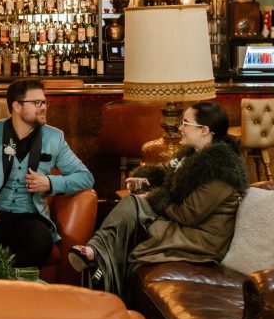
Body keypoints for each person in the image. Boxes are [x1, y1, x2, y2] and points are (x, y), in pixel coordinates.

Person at [69, 101, 248, 299]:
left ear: (204, 130)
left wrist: (153, 196)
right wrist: (147, 178)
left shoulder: (220, 171)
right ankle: (97, 259)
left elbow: (188, 215)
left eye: (186, 123)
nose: (180, 128)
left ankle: (96, 259)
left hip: (200, 239)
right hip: (184, 226)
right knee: (131, 205)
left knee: (134, 220)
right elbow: (167, 169)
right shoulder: (193, 155)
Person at [0, 78, 94, 268]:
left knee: (42, 241)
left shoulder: (54, 138)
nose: (43, 107)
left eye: (44, 103)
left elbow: (85, 177)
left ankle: (9, 281)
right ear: (17, 106)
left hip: (29, 217)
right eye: (37, 103)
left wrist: (50, 183)